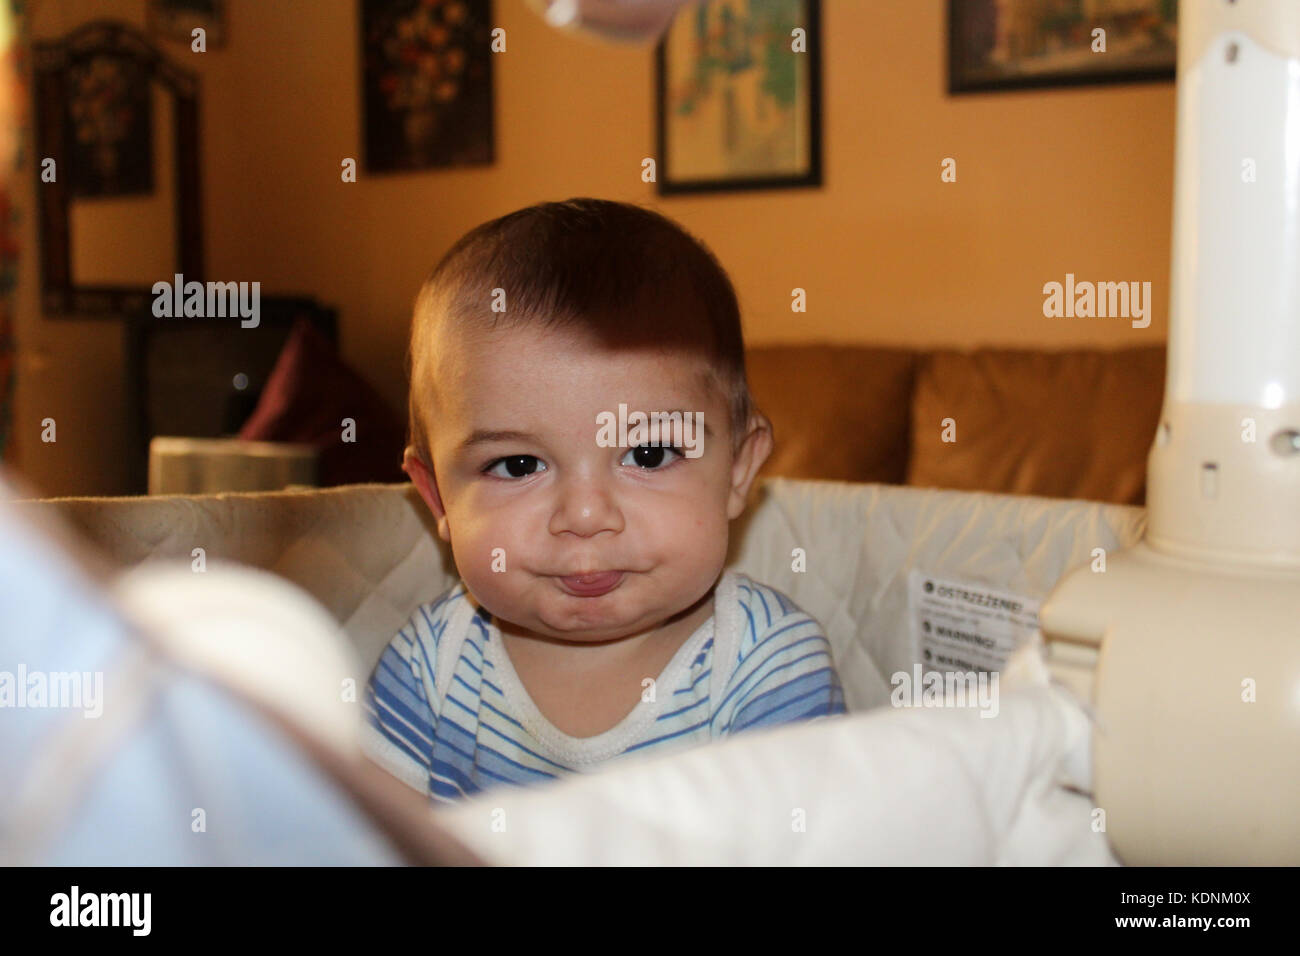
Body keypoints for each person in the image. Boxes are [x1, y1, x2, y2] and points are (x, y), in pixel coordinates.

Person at [363, 198, 846, 802]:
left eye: (647, 455)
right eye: (517, 465)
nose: (586, 516)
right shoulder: (429, 669)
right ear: (436, 497)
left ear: (738, 471)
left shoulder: (765, 668)